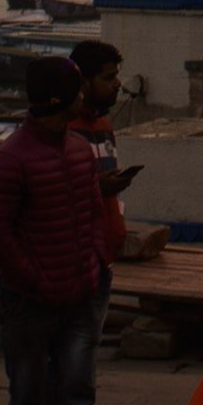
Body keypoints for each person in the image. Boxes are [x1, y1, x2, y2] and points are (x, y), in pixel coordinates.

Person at [0, 57, 118, 405]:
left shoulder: (77, 150)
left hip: (81, 297)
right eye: (78, 90)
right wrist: (35, 279)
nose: (84, 95)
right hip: (29, 304)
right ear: (60, 99)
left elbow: (92, 212)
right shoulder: (11, 159)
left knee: (78, 403)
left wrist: (95, 263)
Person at [66, 42, 133, 284]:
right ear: (84, 82)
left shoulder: (103, 126)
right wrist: (97, 188)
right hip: (74, 264)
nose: (117, 84)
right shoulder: (66, 131)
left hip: (104, 260)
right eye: (109, 78)